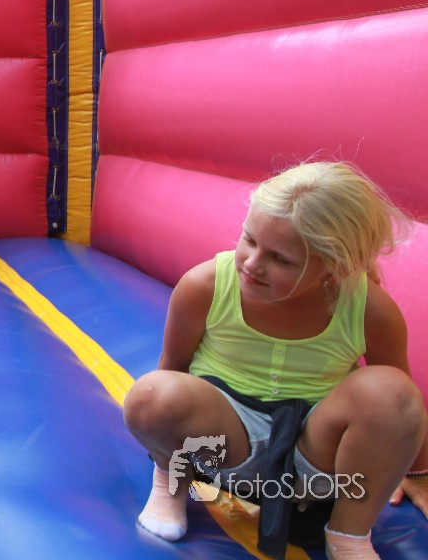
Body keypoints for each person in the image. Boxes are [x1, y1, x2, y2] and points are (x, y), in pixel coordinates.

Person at [122, 161, 428, 560]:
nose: (251, 263)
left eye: (281, 259)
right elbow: (173, 367)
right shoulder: (206, 286)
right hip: (223, 444)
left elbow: (402, 406)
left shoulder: (369, 309)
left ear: (334, 271)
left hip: (314, 457)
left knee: (390, 390)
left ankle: (349, 535)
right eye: (249, 239)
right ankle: (170, 480)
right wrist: (167, 448)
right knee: (150, 395)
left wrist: (417, 472)